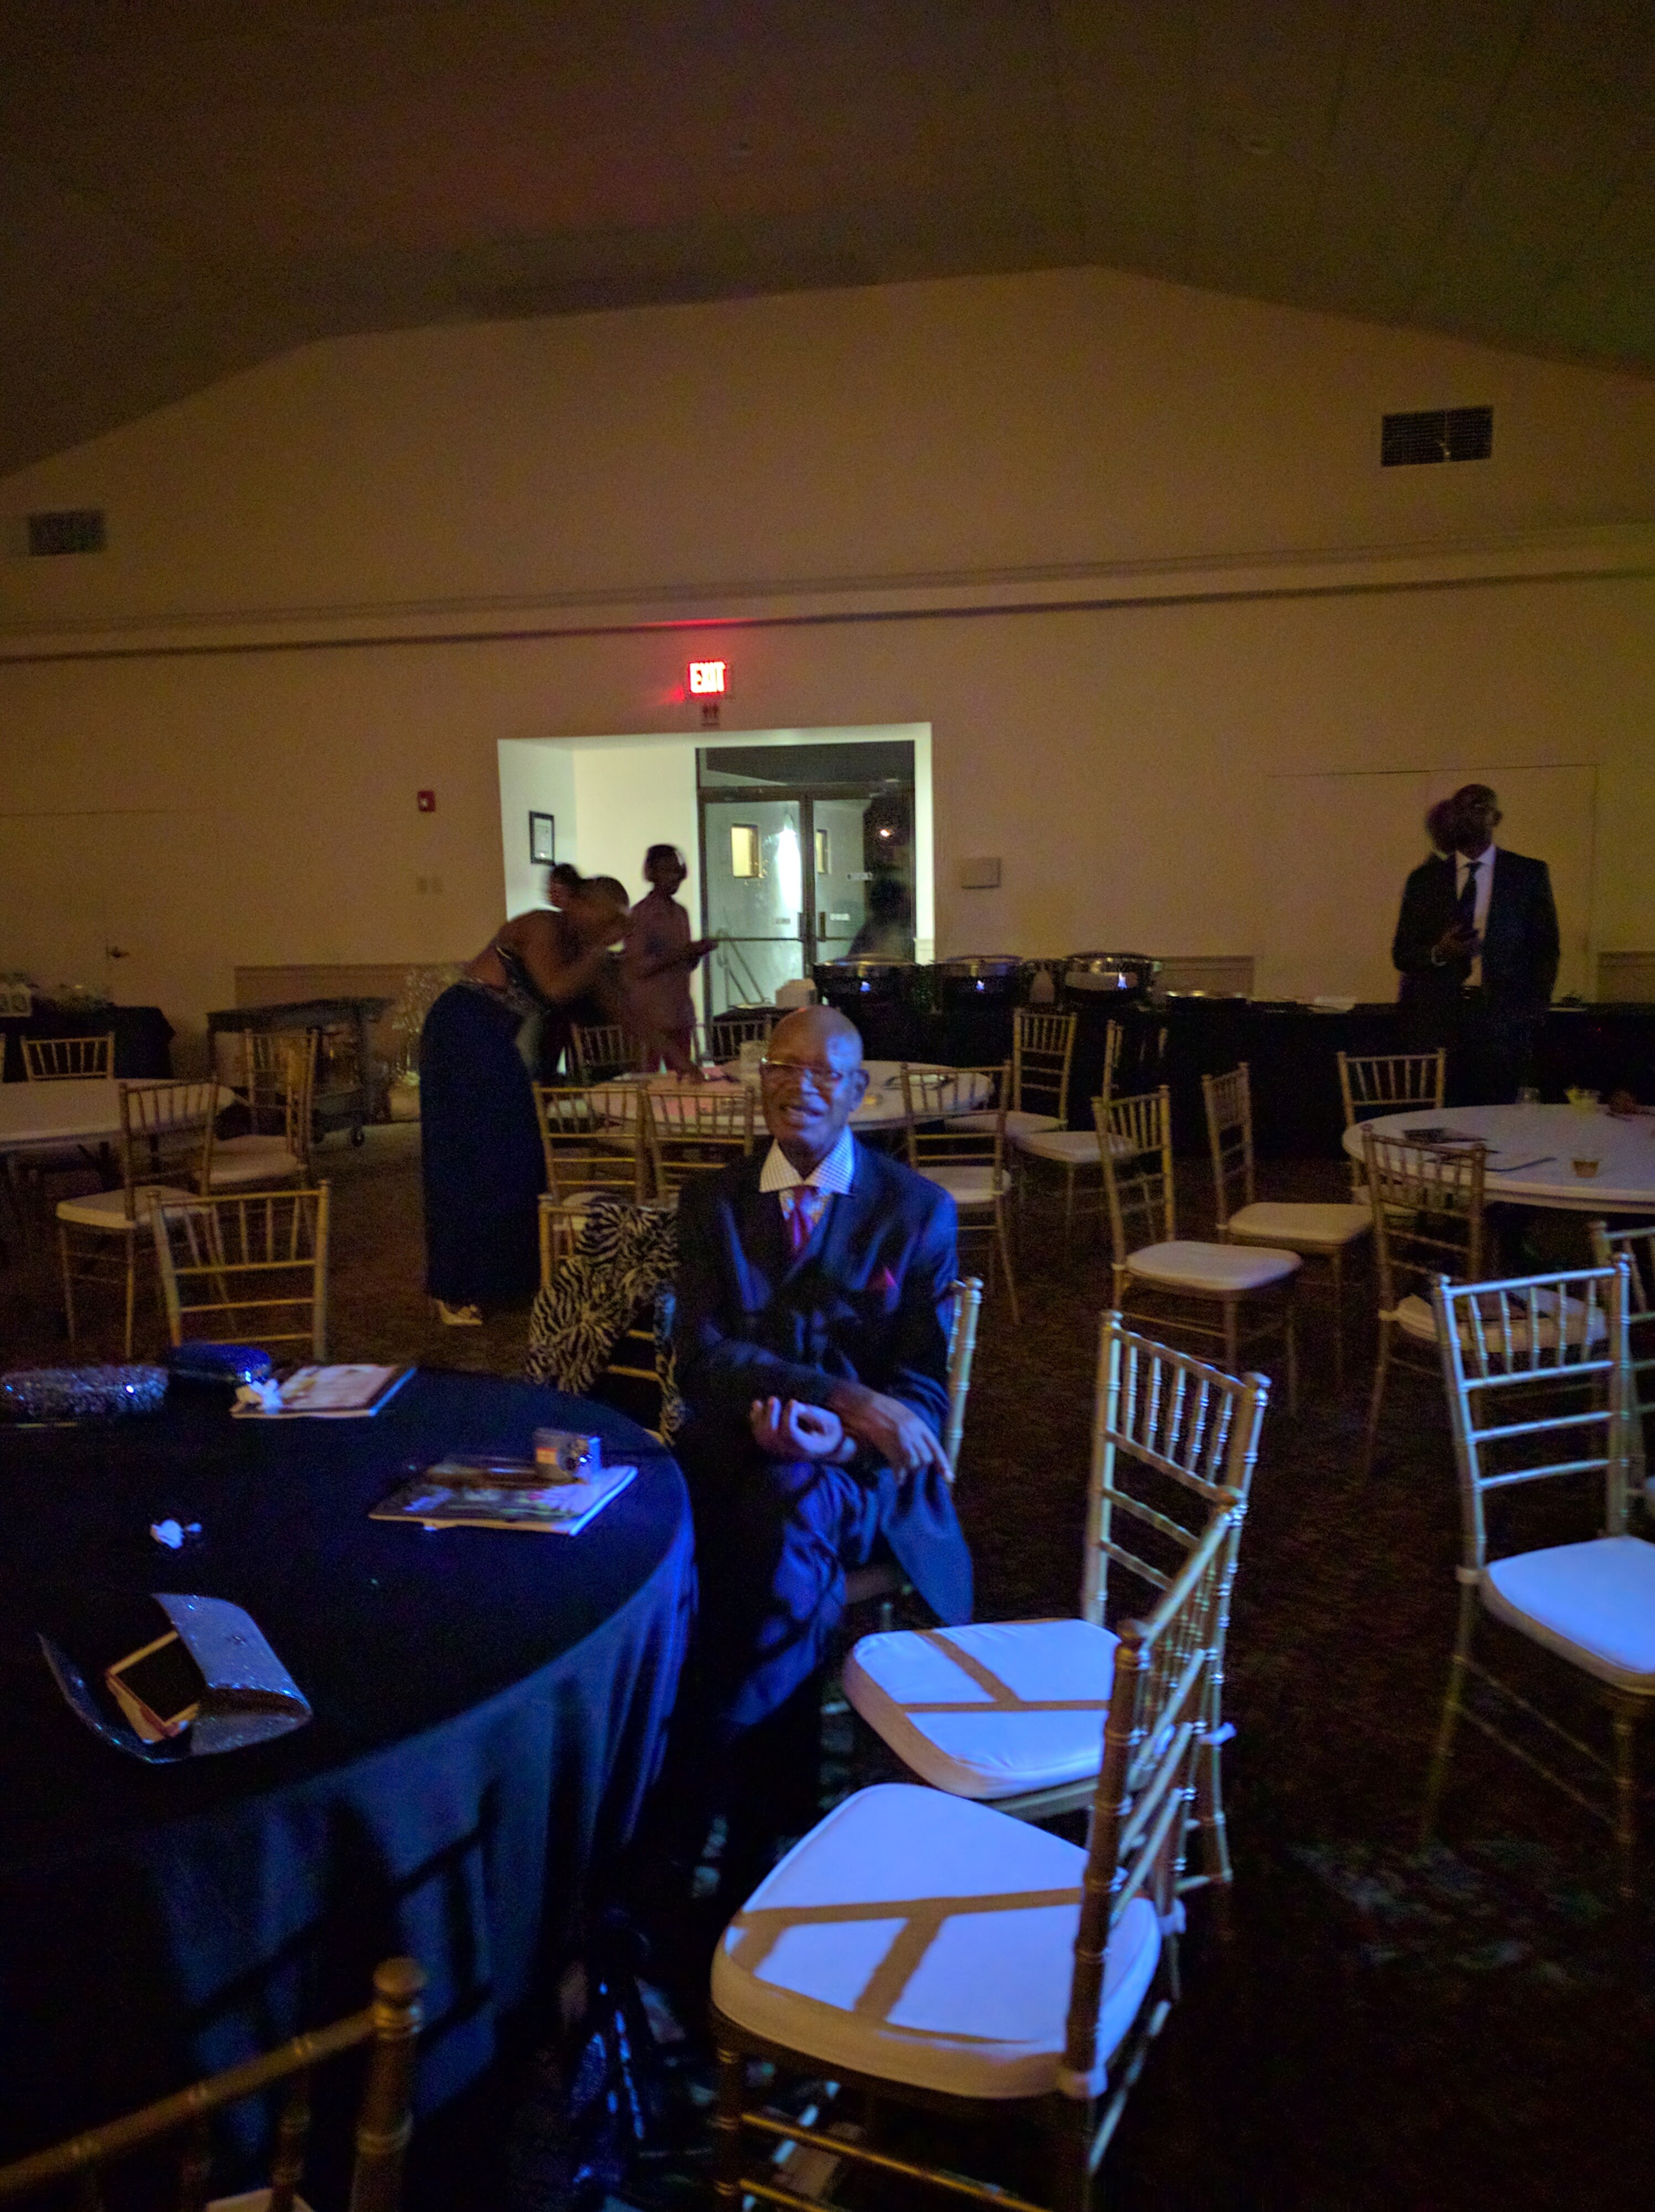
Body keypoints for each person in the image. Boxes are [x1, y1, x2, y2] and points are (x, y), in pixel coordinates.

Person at [667, 1004, 971, 1905]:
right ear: (759, 1081)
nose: (797, 1087)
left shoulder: (914, 1210)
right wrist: (846, 1399)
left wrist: (840, 1435)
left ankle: (699, 1797)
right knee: (675, 1529)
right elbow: (703, 1359)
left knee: (786, 1513)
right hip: (733, 1451)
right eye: (780, 1068)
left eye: (821, 1073)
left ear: (856, 1091)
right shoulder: (713, 1202)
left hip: (849, 1475)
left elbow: (922, 1395)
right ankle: (770, 1815)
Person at [419, 871, 630, 1324]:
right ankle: (454, 1286)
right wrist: (599, 954)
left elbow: (625, 1012)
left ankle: (508, 1278)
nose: (611, 930)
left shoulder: (582, 953)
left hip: (494, 1040)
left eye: (617, 924)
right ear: (582, 906)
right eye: (609, 919)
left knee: (519, 1150)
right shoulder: (543, 926)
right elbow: (554, 988)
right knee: (469, 1157)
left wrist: (684, 1062)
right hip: (462, 1028)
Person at [1392, 783, 1560, 1105]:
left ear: (1497, 818)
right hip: (1439, 1023)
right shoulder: (1425, 880)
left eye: (1479, 806)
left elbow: (1546, 950)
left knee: (1499, 1119)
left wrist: (1532, 1012)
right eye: (1460, 808)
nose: (1468, 814)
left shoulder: (1527, 875)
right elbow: (1402, 953)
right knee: (1440, 1118)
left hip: (1503, 1022)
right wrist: (1439, 953)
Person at [621, 844, 716, 1074]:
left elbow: (685, 965)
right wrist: (680, 954)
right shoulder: (641, 914)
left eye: (676, 871)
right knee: (646, 1079)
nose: (674, 877)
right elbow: (637, 966)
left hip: (679, 1011)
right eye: (667, 871)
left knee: (683, 1079)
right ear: (651, 873)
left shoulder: (680, 913)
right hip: (650, 1014)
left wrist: (695, 953)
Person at [845, 871, 914, 960]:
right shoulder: (875, 935)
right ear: (890, 905)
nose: (909, 907)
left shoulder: (900, 931)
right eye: (904, 901)